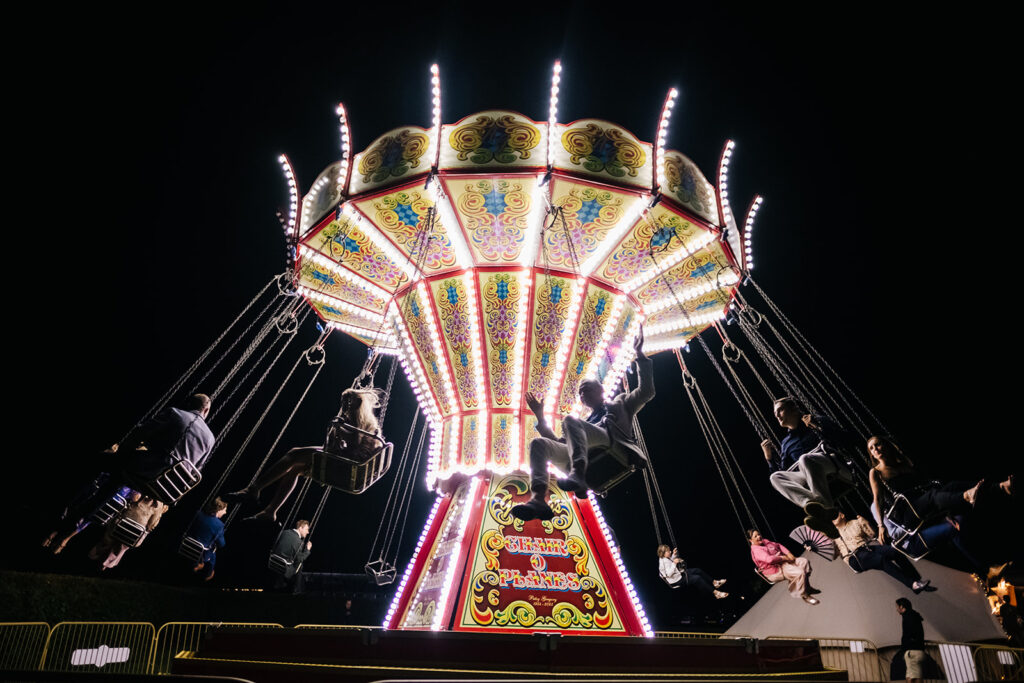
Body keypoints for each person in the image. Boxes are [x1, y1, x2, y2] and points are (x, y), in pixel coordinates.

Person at [512, 328, 654, 521]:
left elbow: (646, 392)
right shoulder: (583, 424)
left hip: (613, 445)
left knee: (570, 420)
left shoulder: (620, 403)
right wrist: (540, 416)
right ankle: (538, 498)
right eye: (580, 392)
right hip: (587, 450)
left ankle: (578, 474)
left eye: (586, 389)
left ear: (601, 390)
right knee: (538, 444)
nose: (582, 394)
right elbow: (560, 443)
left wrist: (640, 356)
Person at [51, 394, 215, 536]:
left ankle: (66, 509)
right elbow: (197, 469)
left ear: (188, 404)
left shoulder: (175, 413)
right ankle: (76, 521)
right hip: (169, 488)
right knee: (117, 480)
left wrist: (122, 452)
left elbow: (140, 433)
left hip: (145, 472)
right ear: (206, 410)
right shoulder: (210, 439)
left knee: (101, 462)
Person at [224, 389, 382, 522]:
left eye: (346, 402)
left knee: (294, 454)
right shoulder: (363, 421)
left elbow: (355, 441)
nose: (344, 407)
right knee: (296, 469)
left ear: (356, 403)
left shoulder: (359, 419)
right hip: (346, 463)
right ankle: (270, 511)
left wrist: (339, 428)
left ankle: (254, 489)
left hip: (347, 466)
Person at [761, 397, 851, 538]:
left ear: (794, 409)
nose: (777, 415)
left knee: (804, 459)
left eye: (780, 410)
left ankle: (827, 508)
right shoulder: (786, 443)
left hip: (835, 467)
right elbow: (786, 472)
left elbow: (846, 440)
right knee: (775, 477)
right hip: (808, 473)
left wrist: (817, 427)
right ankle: (815, 506)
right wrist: (770, 459)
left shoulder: (817, 420)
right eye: (775, 413)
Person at [832, 511, 935, 593]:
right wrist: (833, 546)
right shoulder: (833, 537)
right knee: (880, 560)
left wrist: (864, 523)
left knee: (894, 551)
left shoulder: (855, 523)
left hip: (866, 549)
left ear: (842, 515)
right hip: (854, 558)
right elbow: (832, 556)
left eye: (835, 516)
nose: (833, 519)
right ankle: (913, 584)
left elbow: (872, 535)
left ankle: (917, 581)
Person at [88, 493, 168, 570]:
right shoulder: (159, 505)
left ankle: (96, 555)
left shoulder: (142, 491)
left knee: (111, 535)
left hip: (119, 524)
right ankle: (106, 563)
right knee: (125, 544)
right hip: (132, 535)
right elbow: (151, 525)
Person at [747, 528, 820, 605]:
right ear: (751, 540)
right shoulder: (757, 550)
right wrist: (783, 558)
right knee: (800, 573)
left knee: (804, 562)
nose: (759, 537)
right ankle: (805, 595)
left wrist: (788, 553)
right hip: (776, 569)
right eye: (755, 536)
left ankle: (807, 587)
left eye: (758, 534)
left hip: (784, 562)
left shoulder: (764, 541)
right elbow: (769, 560)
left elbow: (778, 545)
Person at [891, 597, 943, 683]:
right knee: (912, 675)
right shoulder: (915, 615)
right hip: (919, 650)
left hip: (912, 652)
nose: (896, 609)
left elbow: (908, 634)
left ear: (901, 606)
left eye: (897, 606)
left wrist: (906, 647)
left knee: (913, 677)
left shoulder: (907, 616)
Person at [657, 545, 728, 599]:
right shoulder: (662, 564)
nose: (670, 551)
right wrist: (674, 563)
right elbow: (668, 574)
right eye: (668, 551)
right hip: (677, 580)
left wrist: (674, 555)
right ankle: (716, 593)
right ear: (663, 553)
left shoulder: (665, 558)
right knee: (697, 578)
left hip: (679, 574)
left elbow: (670, 561)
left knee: (697, 570)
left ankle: (714, 582)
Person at [185, 498, 228, 580]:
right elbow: (222, 544)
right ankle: (208, 574)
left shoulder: (198, 513)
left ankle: (197, 565)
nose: (225, 512)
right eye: (225, 510)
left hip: (186, 544)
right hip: (201, 552)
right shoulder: (219, 525)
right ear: (219, 510)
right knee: (213, 551)